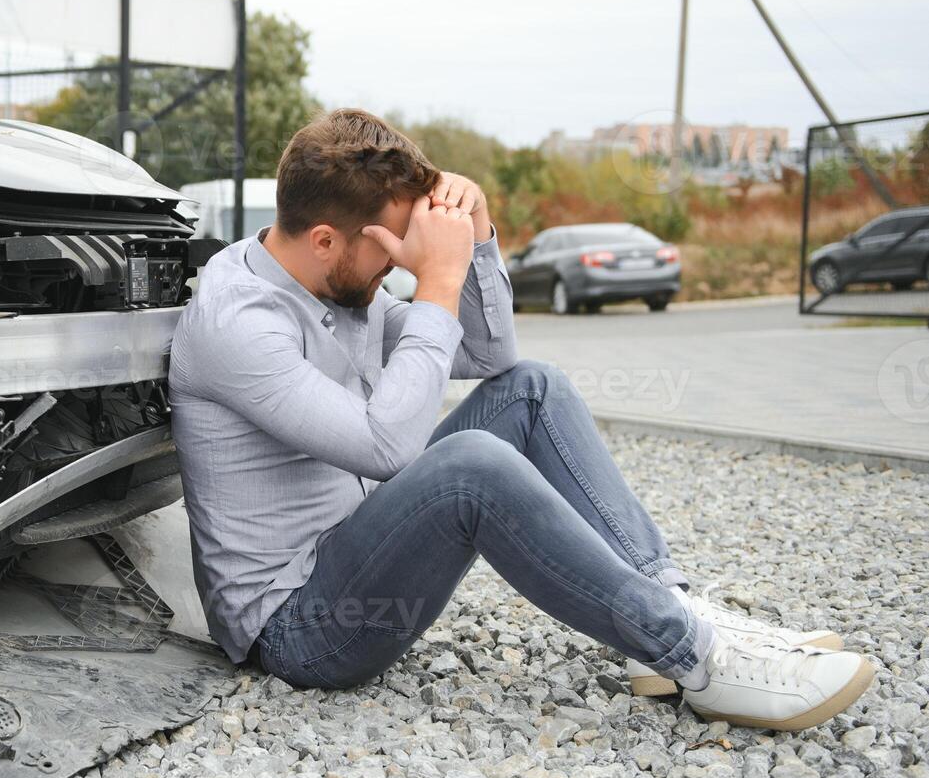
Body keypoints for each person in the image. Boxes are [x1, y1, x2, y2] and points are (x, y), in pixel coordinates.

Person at [169, 109, 873, 731]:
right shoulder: (241, 321)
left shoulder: (336, 278)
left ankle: (672, 616)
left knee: (531, 388)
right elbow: (385, 446)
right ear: (324, 240)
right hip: (302, 628)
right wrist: (437, 284)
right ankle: (696, 657)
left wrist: (474, 242)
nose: (399, 270)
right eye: (393, 253)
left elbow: (488, 353)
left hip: (357, 546)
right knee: (468, 466)